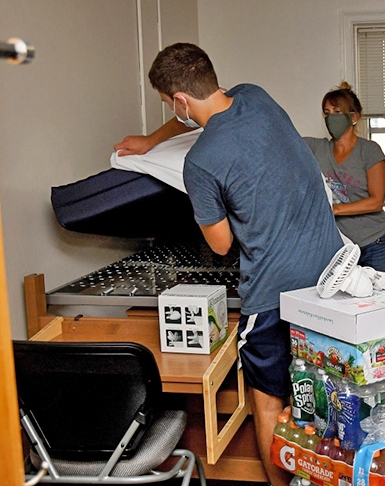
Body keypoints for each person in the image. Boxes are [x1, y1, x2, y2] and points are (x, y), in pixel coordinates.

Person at [115, 43, 343, 486]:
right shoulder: (256, 96)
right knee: (328, 389)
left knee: (269, 400)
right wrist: (151, 142)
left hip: (276, 292)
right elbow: (207, 107)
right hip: (330, 271)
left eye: (168, 103)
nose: (170, 110)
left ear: (179, 101)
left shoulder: (199, 162)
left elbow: (220, 246)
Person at [303, 82, 385, 275]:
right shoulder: (317, 148)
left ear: (353, 117)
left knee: (384, 301)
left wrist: (333, 210)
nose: (331, 117)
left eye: (337, 111)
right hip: (341, 248)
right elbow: (281, 139)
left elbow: (376, 202)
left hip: (377, 243)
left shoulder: (369, 150)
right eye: (327, 112)